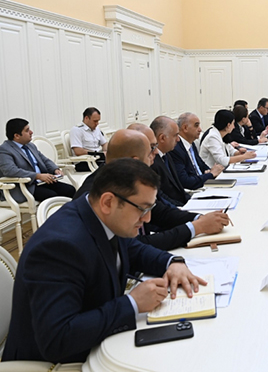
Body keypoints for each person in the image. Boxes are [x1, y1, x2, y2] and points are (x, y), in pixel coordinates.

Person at [3, 158, 207, 364]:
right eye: (142, 209)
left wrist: (172, 262)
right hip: (54, 362)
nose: (147, 219)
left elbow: (135, 249)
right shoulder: (59, 247)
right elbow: (58, 339)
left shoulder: (101, 216)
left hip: (97, 339)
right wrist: (132, 304)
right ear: (108, 202)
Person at [74, 127, 230, 251]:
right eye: (152, 148)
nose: (156, 152)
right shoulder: (98, 193)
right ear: (134, 161)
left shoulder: (128, 178)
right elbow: (135, 246)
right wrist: (196, 227)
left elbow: (160, 212)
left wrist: (199, 218)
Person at [0, 118, 76, 202]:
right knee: (52, 196)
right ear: (17, 136)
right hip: (25, 186)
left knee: (70, 190)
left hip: (42, 181)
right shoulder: (4, 149)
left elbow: (44, 160)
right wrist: (37, 176)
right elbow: (10, 171)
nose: (31, 132)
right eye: (27, 130)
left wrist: (55, 169)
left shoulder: (30, 145)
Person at [171, 112, 224, 190]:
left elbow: (201, 165)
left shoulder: (191, 144)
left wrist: (211, 172)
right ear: (185, 128)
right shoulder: (176, 149)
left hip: (201, 185)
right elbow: (185, 181)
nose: (200, 129)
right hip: (193, 190)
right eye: (196, 126)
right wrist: (211, 174)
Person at [148, 116, 191, 207]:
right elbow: (162, 198)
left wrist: (192, 202)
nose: (178, 139)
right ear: (162, 138)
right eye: (175, 135)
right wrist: (184, 209)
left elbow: (178, 188)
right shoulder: (152, 162)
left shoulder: (167, 154)